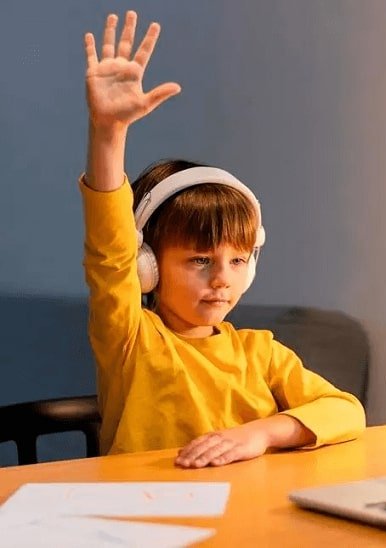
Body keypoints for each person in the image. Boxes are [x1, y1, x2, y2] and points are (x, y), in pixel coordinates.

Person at [81, 10, 366, 468]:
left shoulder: (261, 352)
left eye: (237, 261)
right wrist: (109, 134)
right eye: (199, 261)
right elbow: (108, 253)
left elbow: (346, 411)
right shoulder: (131, 338)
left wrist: (260, 433)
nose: (221, 279)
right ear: (146, 265)